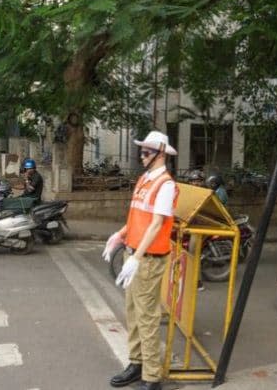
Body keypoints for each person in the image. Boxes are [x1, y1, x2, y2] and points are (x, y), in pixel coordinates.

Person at [102, 131, 178, 390]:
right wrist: (120, 235)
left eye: (146, 152)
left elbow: (157, 224)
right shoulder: (145, 179)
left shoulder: (165, 184)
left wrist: (137, 256)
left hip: (147, 258)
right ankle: (136, 363)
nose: (141, 155)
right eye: (142, 151)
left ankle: (152, 378)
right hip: (134, 253)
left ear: (160, 153)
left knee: (147, 317)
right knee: (133, 313)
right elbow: (137, 216)